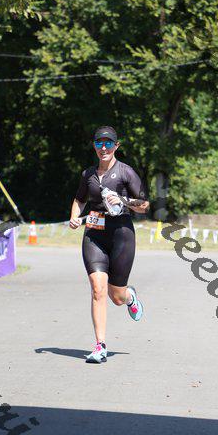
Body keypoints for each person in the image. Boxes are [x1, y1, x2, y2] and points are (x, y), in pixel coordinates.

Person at [69, 126, 150, 363]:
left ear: (116, 146)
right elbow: (79, 199)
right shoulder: (88, 174)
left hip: (121, 235)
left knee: (116, 296)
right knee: (97, 289)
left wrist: (123, 200)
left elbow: (144, 205)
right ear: (94, 146)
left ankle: (129, 296)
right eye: (99, 143)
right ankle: (100, 346)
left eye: (108, 143)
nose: (103, 148)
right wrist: (74, 216)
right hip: (94, 235)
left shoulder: (126, 172)